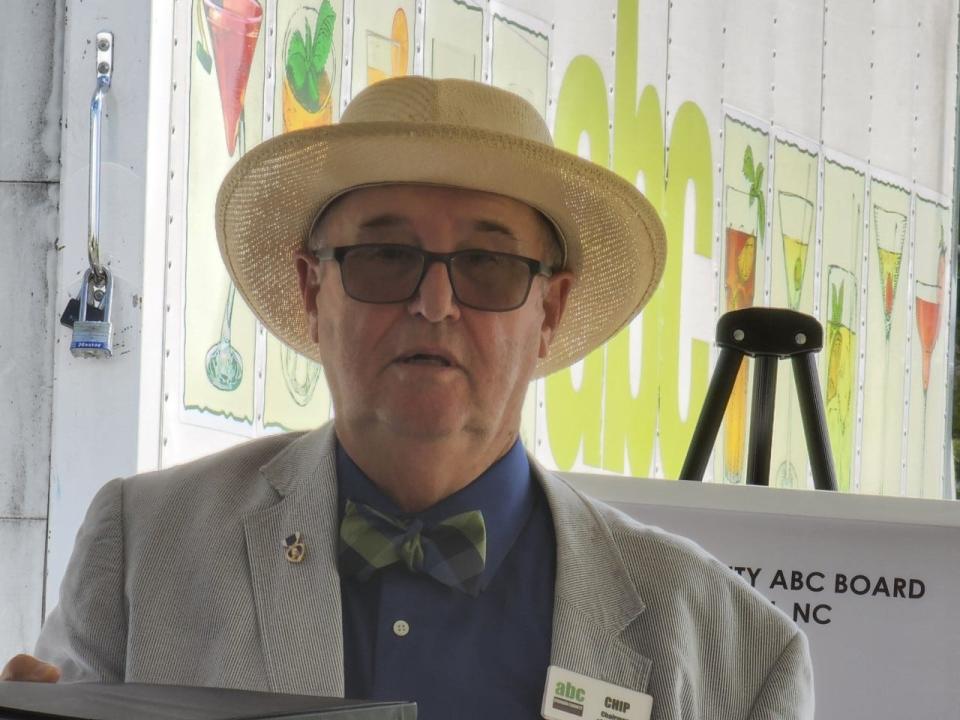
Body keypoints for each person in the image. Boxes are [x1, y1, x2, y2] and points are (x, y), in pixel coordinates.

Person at [3, 76, 813, 718]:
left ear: (550, 313)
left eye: (488, 266)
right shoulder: (145, 552)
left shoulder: (730, 653)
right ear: (311, 289)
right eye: (387, 256)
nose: (434, 304)